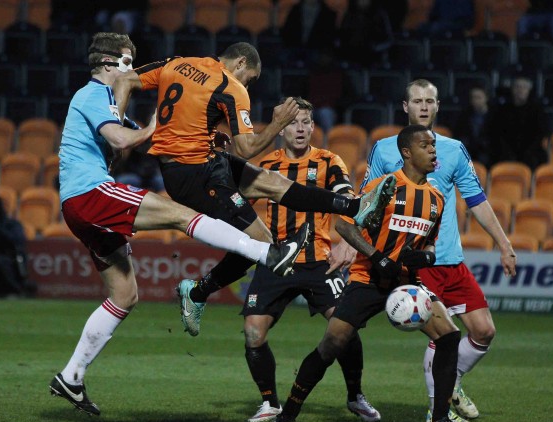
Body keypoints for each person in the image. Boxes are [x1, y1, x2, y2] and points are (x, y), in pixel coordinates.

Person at [48, 32, 313, 416]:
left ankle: (71, 377)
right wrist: (151, 129)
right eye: (125, 61)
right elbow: (123, 137)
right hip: (89, 194)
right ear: (107, 63)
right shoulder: (92, 94)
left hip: (82, 204)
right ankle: (266, 252)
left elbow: (125, 144)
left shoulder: (107, 102)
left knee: (125, 296)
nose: (130, 68)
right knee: (180, 214)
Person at [112, 42, 397, 338]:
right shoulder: (231, 85)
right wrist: (277, 124)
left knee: (273, 183)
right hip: (194, 174)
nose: (249, 83)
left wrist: (116, 126)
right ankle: (197, 293)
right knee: (262, 243)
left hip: (199, 160)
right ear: (241, 64)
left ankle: (355, 207)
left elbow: (124, 79)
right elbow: (246, 148)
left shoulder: (179, 63)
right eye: (251, 77)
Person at [273, 124, 468, 422]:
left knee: (449, 336)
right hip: (367, 279)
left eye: (434, 146)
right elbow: (345, 227)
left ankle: (440, 420)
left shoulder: (436, 198)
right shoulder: (385, 186)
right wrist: (376, 257)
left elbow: (429, 242)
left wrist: (427, 257)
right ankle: (288, 413)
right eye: (426, 146)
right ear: (407, 152)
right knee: (332, 343)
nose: (434, 151)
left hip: (406, 285)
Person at [363, 79, 517, 422]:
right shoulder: (385, 150)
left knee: (484, 331)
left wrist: (504, 245)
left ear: (437, 106)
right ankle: (439, 408)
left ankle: (452, 385)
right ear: (405, 107)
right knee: (444, 333)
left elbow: (476, 201)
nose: (423, 106)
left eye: (429, 101)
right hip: (416, 263)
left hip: (450, 259)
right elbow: (367, 203)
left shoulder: (453, 149)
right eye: (416, 100)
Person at [241, 97, 381, 422]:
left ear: (313, 126)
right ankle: (269, 403)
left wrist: (350, 213)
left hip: (320, 260)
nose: (301, 129)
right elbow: (238, 199)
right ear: (281, 129)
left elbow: (345, 194)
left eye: (306, 122)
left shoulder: (329, 161)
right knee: (252, 332)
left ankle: (355, 395)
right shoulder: (267, 166)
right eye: (293, 123)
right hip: (277, 260)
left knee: (342, 328)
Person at [486, 75, 549, 169]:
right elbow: (497, 133)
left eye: (524, 87)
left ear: (529, 90)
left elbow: (541, 134)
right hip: (506, 152)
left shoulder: (537, 110)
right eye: (517, 87)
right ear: (512, 89)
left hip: (531, 152)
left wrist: (528, 151)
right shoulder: (502, 110)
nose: (520, 90)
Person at [452, 86, 491, 166]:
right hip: (469, 152)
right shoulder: (464, 116)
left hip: (488, 153)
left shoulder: (494, 116)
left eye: (479, 97)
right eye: (473, 97)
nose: (476, 100)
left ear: (486, 98)